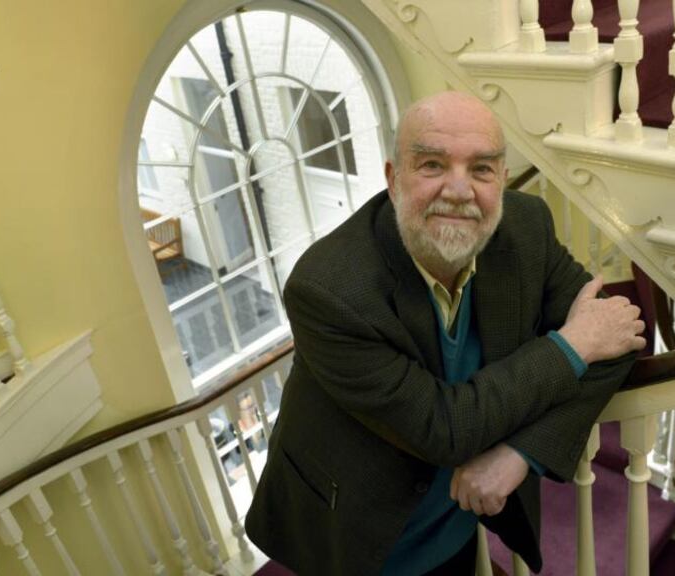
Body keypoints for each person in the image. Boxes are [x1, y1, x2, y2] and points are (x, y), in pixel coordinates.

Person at [246, 91, 646, 575]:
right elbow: (445, 428)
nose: (459, 191)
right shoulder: (329, 289)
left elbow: (615, 336)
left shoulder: (525, 227)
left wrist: (521, 452)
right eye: (432, 165)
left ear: (501, 179)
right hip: (355, 527)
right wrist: (574, 344)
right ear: (394, 180)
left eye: (481, 169)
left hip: (456, 518)